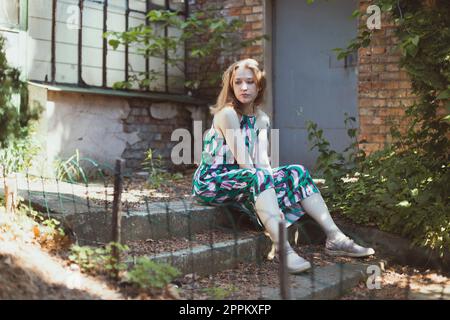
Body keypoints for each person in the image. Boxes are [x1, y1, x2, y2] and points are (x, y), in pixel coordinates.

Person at [192, 58, 374, 274]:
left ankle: (335, 237)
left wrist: (271, 188)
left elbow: (262, 162)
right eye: (238, 82)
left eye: (250, 82)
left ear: (259, 86)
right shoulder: (227, 114)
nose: (243, 87)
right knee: (259, 178)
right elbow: (245, 163)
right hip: (213, 181)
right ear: (231, 86)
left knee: (296, 172)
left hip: (244, 178)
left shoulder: (261, 119)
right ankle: (283, 250)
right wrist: (268, 191)